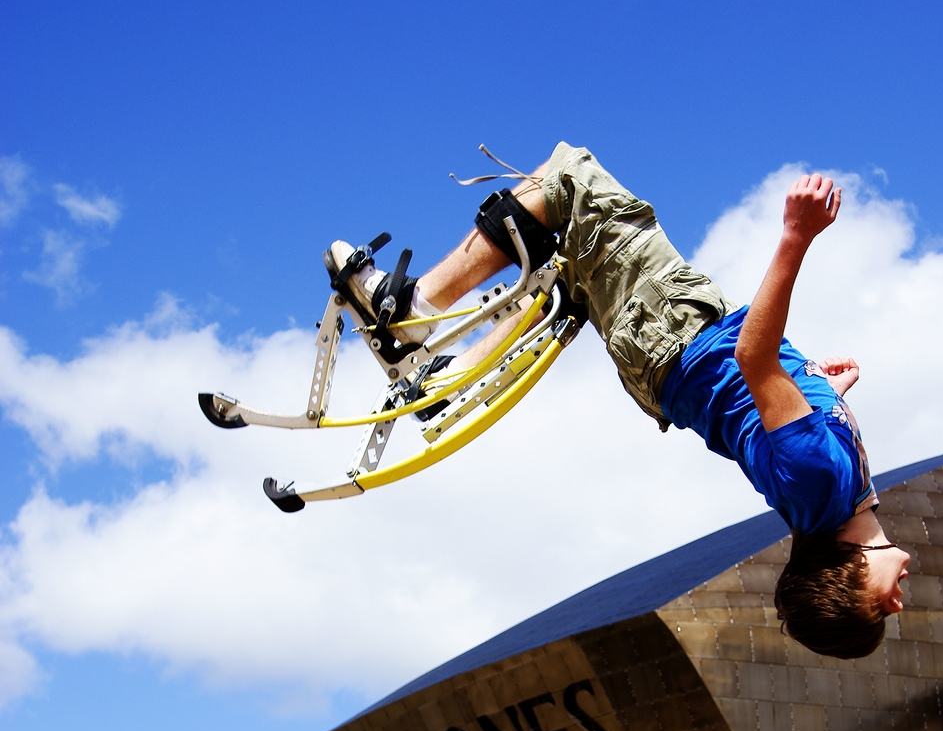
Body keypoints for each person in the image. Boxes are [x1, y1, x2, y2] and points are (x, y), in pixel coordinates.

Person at [330, 143, 910, 659]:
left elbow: (753, 360)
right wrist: (822, 390)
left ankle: (408, 312)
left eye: (881, 609)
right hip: (669, 358)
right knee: (562, 274)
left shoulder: (820, 486)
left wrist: (795, 238)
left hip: (673, 333)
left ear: (846, 577)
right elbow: (766, 422)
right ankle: (448, 377)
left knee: (568, 178)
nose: (899, 604)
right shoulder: (837, 498)